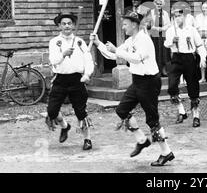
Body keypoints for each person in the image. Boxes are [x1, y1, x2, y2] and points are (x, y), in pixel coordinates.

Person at [90, 11, 174, 166]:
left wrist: (118, 50)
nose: (123, 27)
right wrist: (98, 43)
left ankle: (166, 152)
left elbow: (137, 58)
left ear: (134, 24)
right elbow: (113, 55)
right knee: (121, 110)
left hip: (149, 82)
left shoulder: (145, 39)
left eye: (125, 24)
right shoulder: (131, 40)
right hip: (137, 81)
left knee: (152, 120)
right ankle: (142, 140)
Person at [45, 12, 94, 150]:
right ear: (59, 26)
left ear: (73, 26)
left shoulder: (79, 42)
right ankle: (65, 127)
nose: (67, 26)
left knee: (80, 111)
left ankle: (87, 139)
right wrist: (63, 54)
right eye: (64, 23)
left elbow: (88, 60)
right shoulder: (54, 42)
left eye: (69, 23)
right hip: (60, 79)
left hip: (77, 80)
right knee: (52, 111)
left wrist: (87, 74)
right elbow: (53, 61)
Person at [164, 6, 207, 127]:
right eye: (175, 16)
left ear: (185, 16)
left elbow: (199, 45)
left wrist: (202, 58)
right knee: (172, 86)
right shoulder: (171, 30)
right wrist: (172, 40)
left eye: (180, 16)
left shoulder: (191, 30)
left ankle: (196, 115)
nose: (178, 18)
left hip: (189, 58)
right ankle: (182, 111)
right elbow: (166, 44)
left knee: (193, 88)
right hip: (176, 58)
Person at [148, 0, 171, 76]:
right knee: (156, 52)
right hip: (154, 35)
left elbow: (169, 24)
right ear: (155, 4)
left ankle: (164, 70)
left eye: (160, 4)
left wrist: (164, 28)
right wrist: (157, 28)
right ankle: (157, 70)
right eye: (157, 4)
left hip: (163, 35)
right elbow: (149, 24)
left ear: (162, 5)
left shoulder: (165, 13)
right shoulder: (151, 12)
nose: (159, 5)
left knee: (164, 52)